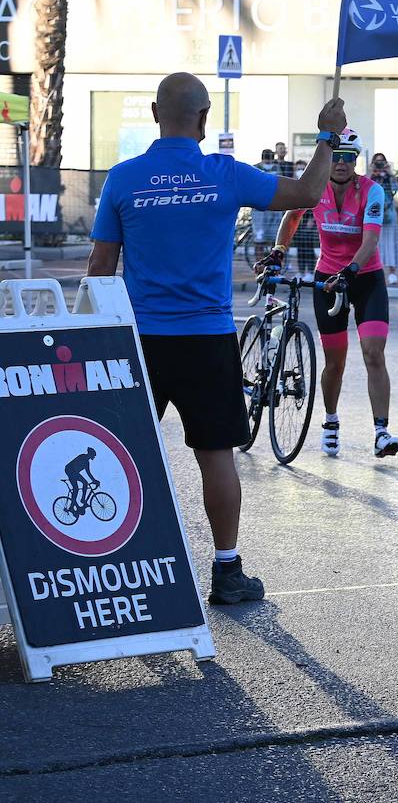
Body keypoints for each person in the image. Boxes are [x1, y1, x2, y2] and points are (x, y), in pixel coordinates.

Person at [87, 72, 346, 604]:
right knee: (216, 455)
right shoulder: (225, 175)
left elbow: (99, 269)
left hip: (140, 341)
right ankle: (226, 571)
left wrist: (94, 340)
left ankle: (104, 564)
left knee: (117, 453)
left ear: (156, 116)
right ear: (204, 120)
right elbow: (309, 192)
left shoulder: (123, 178)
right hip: (207, 339)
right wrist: (327, 136)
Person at [265, 128, 398, 460]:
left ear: (357, 160)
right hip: (327, 278)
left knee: (373, 353)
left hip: (364, 277)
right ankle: (330, 422)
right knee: (334, 363)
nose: (341, 164)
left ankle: (381, 432)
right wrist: (279, 250)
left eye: (348, 158)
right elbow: (292, 216)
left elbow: (370, 241)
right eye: (336, 156)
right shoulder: (314, 188)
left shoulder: (371, 191)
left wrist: (351, 271)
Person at [369, 152, 398, 285]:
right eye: (377, 162)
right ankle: (376, 271)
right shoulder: (370, 177)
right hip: (374, 213)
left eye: (382, 162)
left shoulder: (389, 177)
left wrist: (389, 174)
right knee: (374, 242)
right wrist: (372, 173)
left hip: (389, 212)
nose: (379, 164)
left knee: (391, 242)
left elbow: (396, 189)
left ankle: (392, 273)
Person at [250, 149, 280, 264]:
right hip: (259, 210)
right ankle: (259, 264)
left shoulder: (277, 168)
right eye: (266, 161)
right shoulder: (255, 167)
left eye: (270, 161)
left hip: (275, 208)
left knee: (274, 238)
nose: (268, 163)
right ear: (262, 159)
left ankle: (272, 265)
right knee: (259, 239)